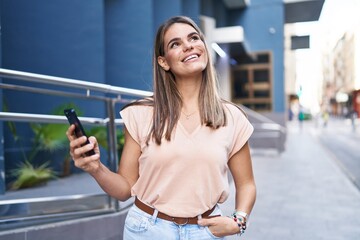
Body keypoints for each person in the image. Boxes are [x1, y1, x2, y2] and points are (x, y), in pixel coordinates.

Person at [66, 16, 256, 239]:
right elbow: (125, 189)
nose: (188, 46)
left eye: (194, 38)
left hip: (207, 231)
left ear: (204, 47)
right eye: (175, 44)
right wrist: (95, 168)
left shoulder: (231, 117)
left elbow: (247, 184)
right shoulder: (141, 114)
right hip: (148, 230)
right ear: (164, 62)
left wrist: (238, 221)